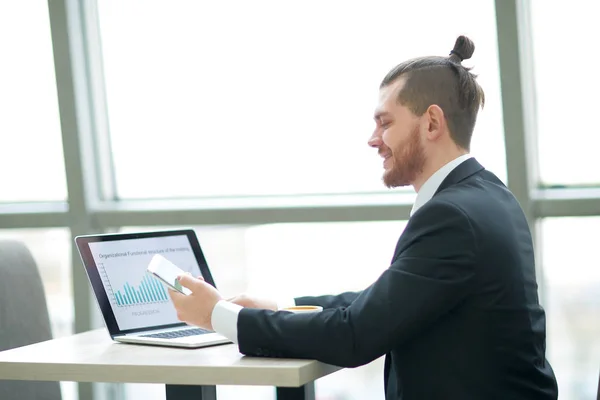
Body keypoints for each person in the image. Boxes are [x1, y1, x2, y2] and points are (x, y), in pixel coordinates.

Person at [169, 35, 559, 400]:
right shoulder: (490, 195)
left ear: (432, 123)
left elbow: (356, 335)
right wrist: (276, 306)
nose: (373, 139)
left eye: (385, 123)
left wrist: (219, 316)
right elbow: (385, 303)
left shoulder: (451, 215)